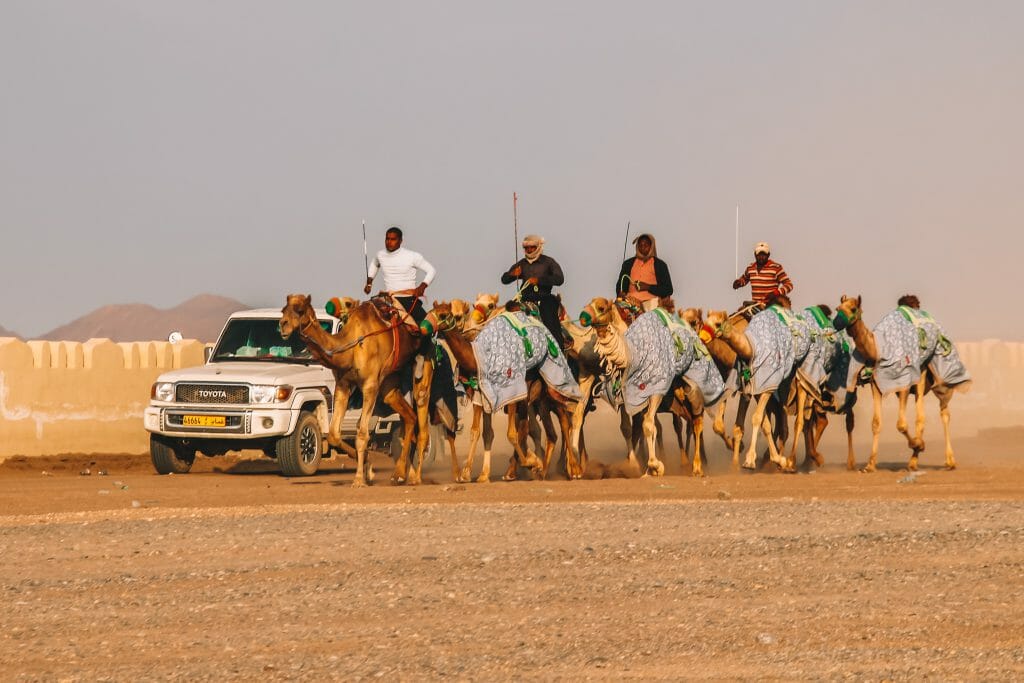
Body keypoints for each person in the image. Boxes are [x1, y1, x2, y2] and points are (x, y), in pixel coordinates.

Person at [501, 234, 568, 348]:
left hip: (545, 298)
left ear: (538, 247)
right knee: (508, 315)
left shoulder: (548, 262)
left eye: (532, 247)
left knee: (549, 317)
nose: (529, 250)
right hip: (525, 299)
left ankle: (558, 347)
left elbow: (559, 279)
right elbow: (504, 279)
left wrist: (539, 280)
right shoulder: (522, 264)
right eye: (526, 248)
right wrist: (512, 274)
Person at [363, 226, 436, 327]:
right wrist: (369, 282)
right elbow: (374, 264)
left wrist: (422, 287)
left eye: (393, 239)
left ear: (401, 241)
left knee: (426, 326)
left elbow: (431, 270)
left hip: (407, 299)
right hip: (388, 299)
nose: (389, 242)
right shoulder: (380, 255)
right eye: (387, 239)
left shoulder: (412, 256)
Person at [615, 233, 674, 312]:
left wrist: (648, 287)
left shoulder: (660, 265)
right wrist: (620, 293)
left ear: (651, 246)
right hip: (630, 304)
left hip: (651, 305)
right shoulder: (628, 264)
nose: (643, 247)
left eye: (646, 245)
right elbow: (620, 284)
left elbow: (668, 289)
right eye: (640, 245)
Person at [732, 241, 794, 306]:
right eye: (759, 254)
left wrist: (776, 293)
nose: (761, 257)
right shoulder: (750, 268)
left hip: (771, 305)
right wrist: (739, 283)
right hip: (755, 304)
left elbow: (789, 285)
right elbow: (745, 279)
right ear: (755, 254)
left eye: (764, 254)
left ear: (768, 255)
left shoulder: (776, 268)